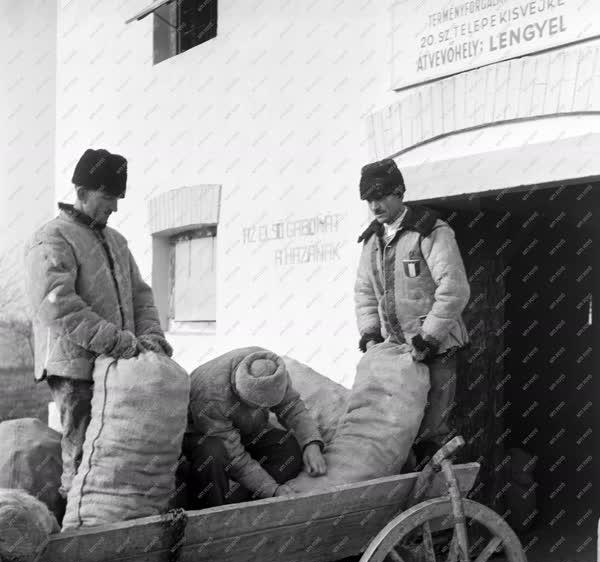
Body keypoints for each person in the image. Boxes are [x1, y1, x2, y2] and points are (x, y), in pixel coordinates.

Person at [24, 148, 171, 500]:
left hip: (118, 367)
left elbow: (141, 296)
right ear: (82, 191)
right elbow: (56, 305)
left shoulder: (117, 241)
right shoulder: (53, 237)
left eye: (118, 198)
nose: (115, 207)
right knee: (81, 455)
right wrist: (117, 342)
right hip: (75, 368)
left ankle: (108, 529)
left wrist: (151, 334)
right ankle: (74, 533)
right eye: (108, 197)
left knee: (114, 455)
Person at [354, 158, 470, 467]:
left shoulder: (430, 232)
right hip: (396, 354)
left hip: (437, 350)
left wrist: (428, 338)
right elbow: (365, 292)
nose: (375, 205)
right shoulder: (372, 242)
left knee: (435, 432)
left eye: (381, 196)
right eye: (369, 199)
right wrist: (370, 335)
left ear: (399, 193)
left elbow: (454, 289)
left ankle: (443, 509)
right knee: (398, 431)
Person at [182, 347, 327, 506]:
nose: (258, 410)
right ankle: (213, 508)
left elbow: (292, 406)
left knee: (288, 447)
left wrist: (311, 442)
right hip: (205, 436)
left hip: (247, 431)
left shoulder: (274, 370)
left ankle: (242, 499)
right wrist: (271, 489)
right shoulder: (210, 394)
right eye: (254, 405)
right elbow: (234, 455)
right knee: (212, 454)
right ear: (239, 390)